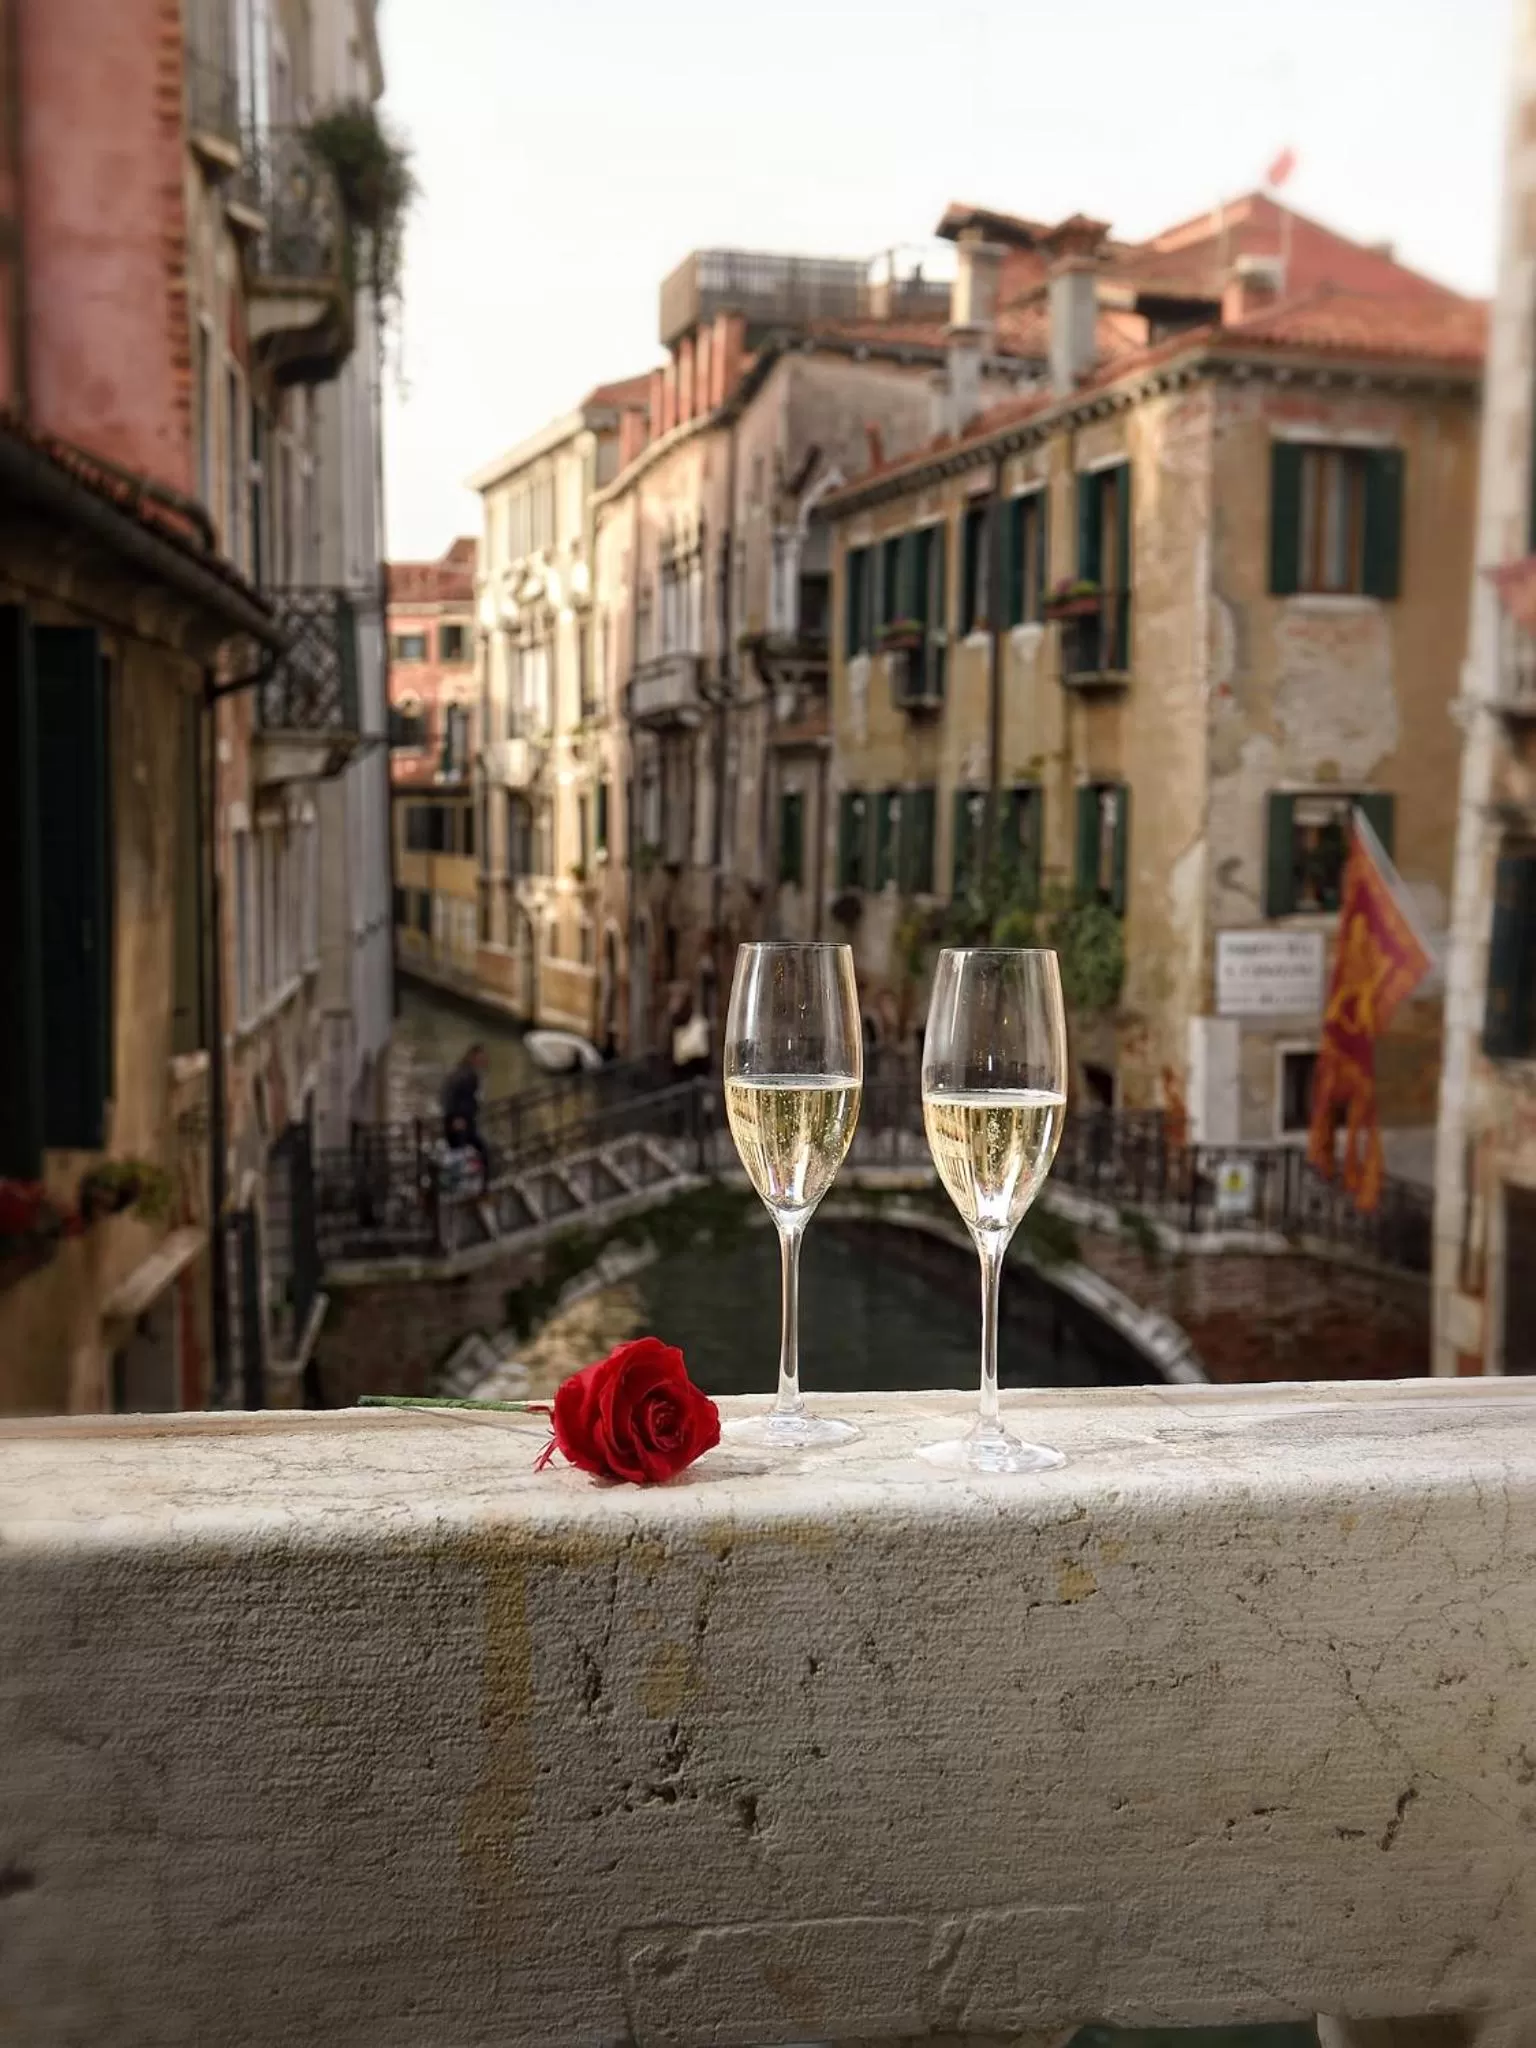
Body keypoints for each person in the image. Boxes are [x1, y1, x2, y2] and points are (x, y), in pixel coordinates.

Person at [441, 1043, 491, 1186]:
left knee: (462, 1154)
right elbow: (452, 1096)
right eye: (481, 1057)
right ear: (473, 1057)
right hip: (460, 1122)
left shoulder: (464, 1073)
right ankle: (478, 1188)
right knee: (464, 1154)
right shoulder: (466, 1075)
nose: (484, 1061)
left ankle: (474, 1187)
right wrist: (456, 1117)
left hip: (463, 1122)